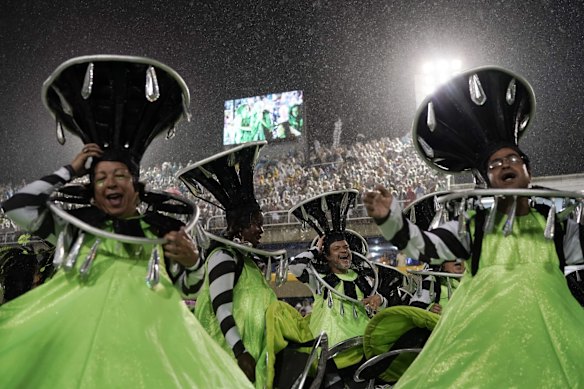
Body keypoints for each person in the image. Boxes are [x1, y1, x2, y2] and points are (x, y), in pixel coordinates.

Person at [0, 55, 253, 388]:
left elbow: (188, 288)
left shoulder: (159, 232)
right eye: (101, 177)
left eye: (120, 175)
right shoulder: (75, 228)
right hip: (80, 350)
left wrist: (192, 262)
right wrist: (70, 170)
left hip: (151, 352)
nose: (111, 182)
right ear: (93, 190)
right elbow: (17, 205)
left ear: (136, 188)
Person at [363, 66, 584, 387]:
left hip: (553, 333)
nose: (506, 164)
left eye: (514, 159)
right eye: (496, 163)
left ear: (528, 170)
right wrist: (390, 219)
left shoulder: (559, 225)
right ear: (486, 179)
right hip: (484, 334)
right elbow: (424, 246)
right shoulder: (474, 225)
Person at [177, 141, 314, 389]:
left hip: (252, 355)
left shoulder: (246, 260)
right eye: (257, 223)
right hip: (230, 358)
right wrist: (240, 351)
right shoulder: (223, 256)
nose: (261, 230)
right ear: (241, 224)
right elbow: (221, 307)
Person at [288, 189, 387, 388]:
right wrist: (315, 251)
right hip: (330, 354)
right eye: (337, 248)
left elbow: (381, 306)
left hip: (363, 348)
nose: (344, 251)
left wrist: (380, 300)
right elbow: (295, 267)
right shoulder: (319, 279)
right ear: (327, 256)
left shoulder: (364, 279)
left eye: (346, 247)